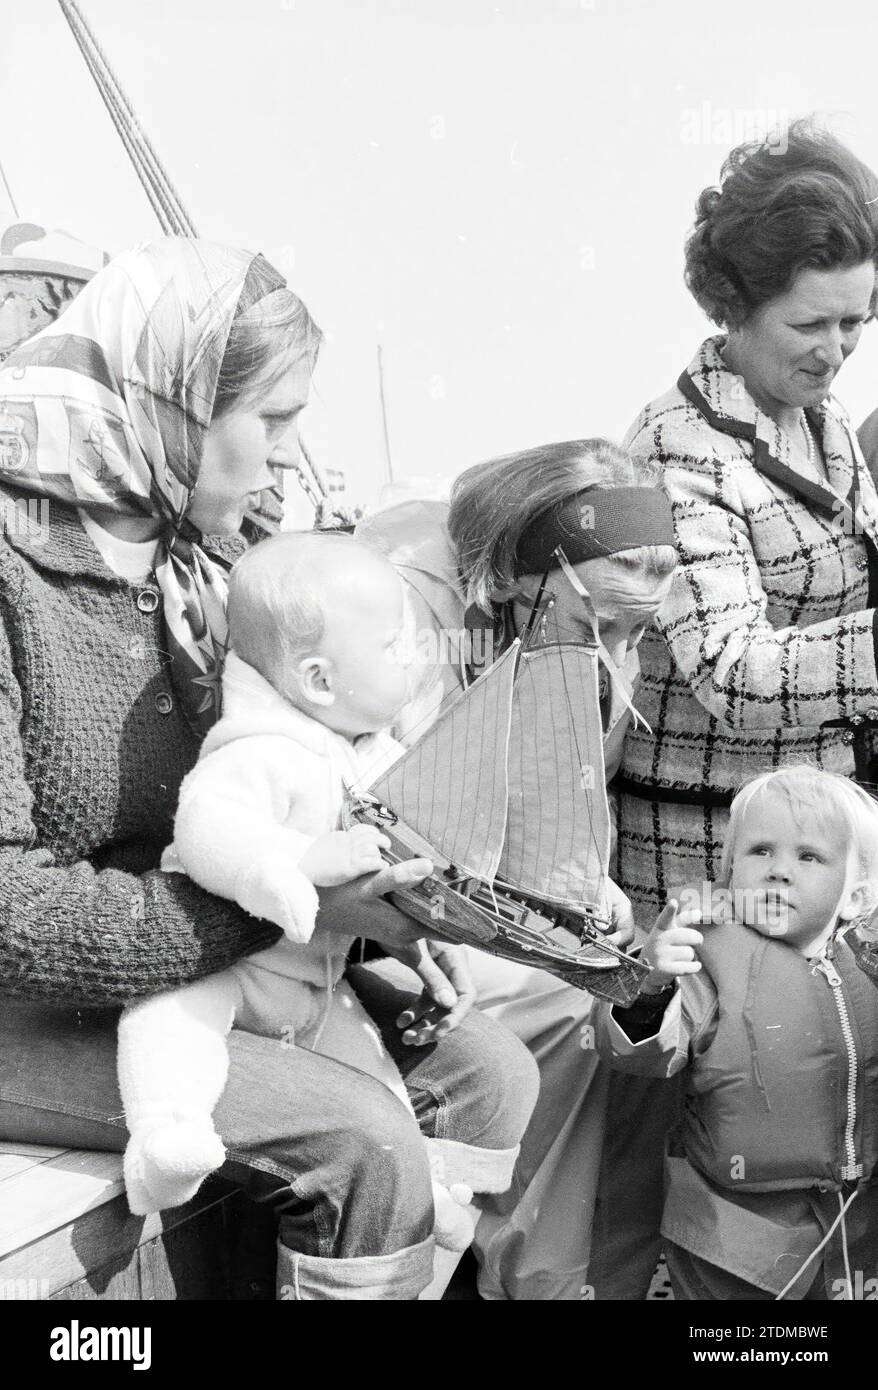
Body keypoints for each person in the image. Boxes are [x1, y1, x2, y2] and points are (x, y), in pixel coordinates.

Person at [0, 237, 539, 1302]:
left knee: (487, 1072)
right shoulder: (16, 574)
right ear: (173, 403)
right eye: (273, 420)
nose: (290, 458)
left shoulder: (186, 566)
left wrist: (370, 930)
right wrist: (289, 906)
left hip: (178, 969)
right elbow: (9, 911)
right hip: (24, 1010)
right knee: (362, 1141)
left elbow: (284, 784)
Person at [118, 531, 509, 1253]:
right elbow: (206, 828)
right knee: (168, 1027)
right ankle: (166, 1144)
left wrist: (428, 923)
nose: (420, 657)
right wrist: (290, 863)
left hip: (317, 987)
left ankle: (431, 1197)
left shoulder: (375, 756)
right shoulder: (264, 749)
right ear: (320, 681)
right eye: (397, 645)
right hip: (220, 969)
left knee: (380, 1090)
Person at [357, 439, 681, 1299]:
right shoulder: (404, 607)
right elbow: (385, 811)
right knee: (573, 1009)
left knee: (622, 1002)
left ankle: (559, 1269)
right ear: (517, 573)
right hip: (357, 927)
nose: (613, 649)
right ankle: (535, 1272)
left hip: (451, 914)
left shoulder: (586, 620)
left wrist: (589, 892)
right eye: (598, 624)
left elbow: (545, 806)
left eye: (632, 629)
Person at [616, 120, 878, 927]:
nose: (835, 351)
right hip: (713, 851)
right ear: (734, 306)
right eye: (809, 326)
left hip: (810, 838)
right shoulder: (676, 446)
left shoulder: (820, 417)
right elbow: (732, 672)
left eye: (856, 322)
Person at [598, 765, 878, 1300]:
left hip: (854, 1227)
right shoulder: (703, 959)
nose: (779, 872)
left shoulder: (865, 967)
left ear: (857, 899)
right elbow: (637, 1052)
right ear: (728, 873)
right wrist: (652, 979)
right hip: (730, 1237)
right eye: (760, 851)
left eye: (810, 857)